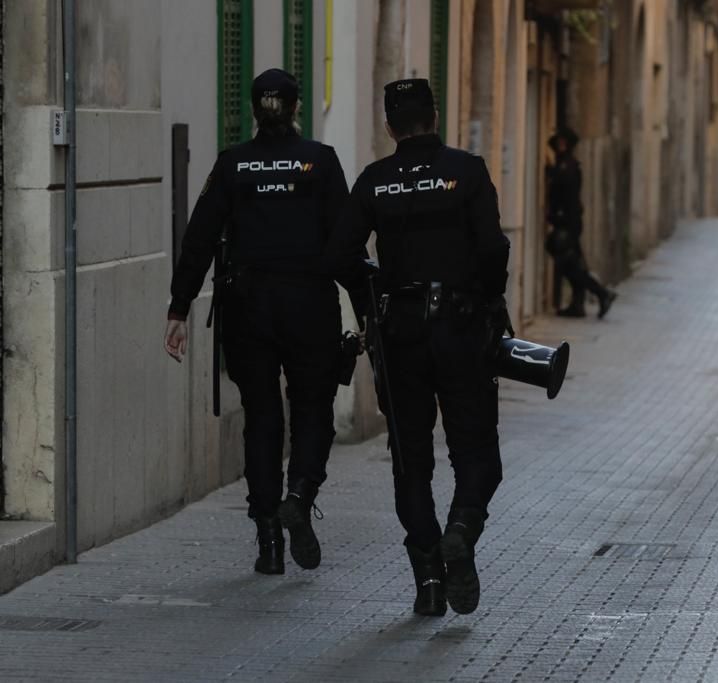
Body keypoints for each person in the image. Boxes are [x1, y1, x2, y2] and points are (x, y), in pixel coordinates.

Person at [326, 79, 510, 617]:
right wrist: (486, 296)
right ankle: (461, 529)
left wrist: (377, 294)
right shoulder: (468, 171)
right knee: (477, 454)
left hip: (401, 333)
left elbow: (339, 256)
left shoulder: (375, 181)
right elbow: (493, 248)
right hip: (460, 328)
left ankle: (428, 577)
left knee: (412, 461)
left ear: (389, 127)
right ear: (435, 116)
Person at [164, 69, 349, 575]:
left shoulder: (233, 165)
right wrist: (368, 307)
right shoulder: (320, 161)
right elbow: (346, 240)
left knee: (262, 416)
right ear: (296, 107)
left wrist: (179, 307)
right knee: (313, 407)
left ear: (253, 109)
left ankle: (268, 537)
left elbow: (199, 238)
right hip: (309, 301)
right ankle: (300, 491)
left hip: (248, 305)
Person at [544, 128, 617, 318]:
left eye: (563, 142)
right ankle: (578, 304)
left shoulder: (569, 166)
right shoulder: (563, 165)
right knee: (573, 264)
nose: (560, 146)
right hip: (568, 222)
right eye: (558, 142)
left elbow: (567, 195)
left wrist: (559, 217)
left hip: (569, 224)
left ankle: (602, 293)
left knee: (571, 265)